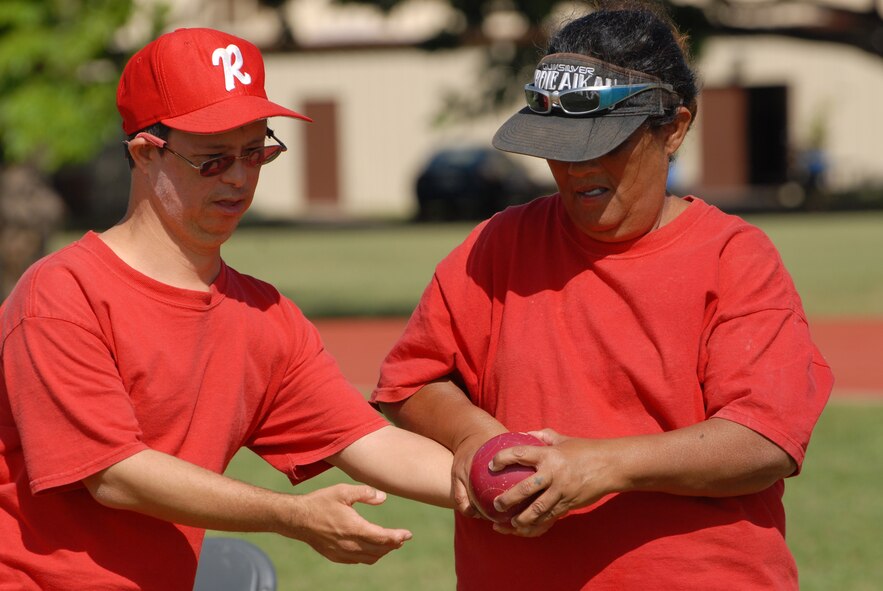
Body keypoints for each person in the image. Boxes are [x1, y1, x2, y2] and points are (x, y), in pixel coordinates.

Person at [371, 2, 833, 589]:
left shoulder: (734, 257)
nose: (574, 166)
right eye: (557, 145)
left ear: (675, 128)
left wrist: (604, 465)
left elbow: (764, 441)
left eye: (602, 142)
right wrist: (472, 434)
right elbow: (410, 383)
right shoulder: (499, 245)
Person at [0, 27, 454, 591]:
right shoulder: (63, 293)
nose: (240, 178)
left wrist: (494, 482)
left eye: (256, 151)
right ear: (145, 152)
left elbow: (368, 441)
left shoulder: (263, 315)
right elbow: (115, 475)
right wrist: (293, 515)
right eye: (212, 160)